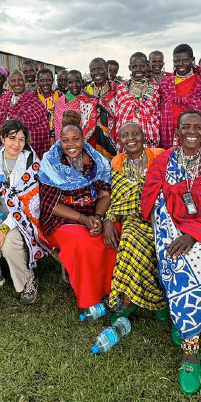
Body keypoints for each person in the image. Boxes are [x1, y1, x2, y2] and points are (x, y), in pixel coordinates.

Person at [141, 110, 201, 395]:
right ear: (177, 132)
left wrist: (193, 235)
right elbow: (152, 197)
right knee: (171, 258)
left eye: (197, 127)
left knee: (200, 263)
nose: (191, 131)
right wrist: (174, 212)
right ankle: (183, 324)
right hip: (168, 222)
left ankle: (190, 349)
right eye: (185, 127)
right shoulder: (163, 161)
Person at [39, 114, 116, 309]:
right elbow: (51, 205)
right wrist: (84, 219)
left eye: (76, 139)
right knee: (83, 243)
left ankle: (110, 290)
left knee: (114, 233)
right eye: (65, 140)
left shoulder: (97, 161)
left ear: (84, 139)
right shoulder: (51, 163)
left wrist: (98, 218)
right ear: (60, 141)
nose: (71, 144)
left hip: (92, 213)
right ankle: (90, 299)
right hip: (62, 220)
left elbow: (105, 195)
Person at [0, 119, 48, 305]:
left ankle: (27, 280)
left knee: (9, 242)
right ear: (2, 138)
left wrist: (3, 229)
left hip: (23, 218)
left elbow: (28, 201)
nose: (16, 144)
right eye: (11, 138)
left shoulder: (31, 162)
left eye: (21, 139)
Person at [102, 122, 166, 321]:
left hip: (161, 217)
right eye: (125, 135)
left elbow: (169, 189)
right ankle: (128, 300)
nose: (130, 138)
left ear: (144, 136)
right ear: (119, 141)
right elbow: (119, 197)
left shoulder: (159, 156)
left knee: (160, 247)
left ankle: (156, 299)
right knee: (129, 242)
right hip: (133, 219)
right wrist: (108, 220)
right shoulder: (117, 163)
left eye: (135, 134)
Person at [0, 69, 51, 157]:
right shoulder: (5, 98)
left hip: (26, 149)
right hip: (6, 146)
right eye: (13, 81)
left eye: (20, 80)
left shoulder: (33, 100)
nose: (17, 83)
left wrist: (11, 128)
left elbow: (40, 127)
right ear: (9, 83)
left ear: (25, 81)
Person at [158, 44, 201, 149]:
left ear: (192, 60)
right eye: (176, 61)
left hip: (194, 133)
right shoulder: (165, 83)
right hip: (170, 135)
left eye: (185, 60)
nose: (180, 64)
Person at [113, 52, 161, 149]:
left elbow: (157, 112)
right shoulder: (122, 88)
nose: (138, 70)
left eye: (141, 66)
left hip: (149, 137)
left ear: (147, 67)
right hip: (127, 139)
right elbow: (119, 115)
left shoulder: (155, 87)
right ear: (129, 68)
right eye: (134, 66)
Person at [84, 58, 118, 159]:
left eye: (100, 69)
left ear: (106, 70)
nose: (96, 73)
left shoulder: (117, 89)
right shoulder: (86, 91)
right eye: (93, 70)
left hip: (112, 134)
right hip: (93, 135)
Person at [54, 70, 98, 143]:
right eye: (70, 82)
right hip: (66, 142)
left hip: (86, 141)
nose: (74, 85)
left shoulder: (90, 101)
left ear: (82, 82)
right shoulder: (60, 103)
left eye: (77, 81)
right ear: (66, 84)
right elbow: (58, 127)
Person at [36, 67, 60, 138]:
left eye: (48, 80)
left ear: (52, 81)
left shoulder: (59, 95)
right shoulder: (33, 96)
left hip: (57, 137)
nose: (45, 83)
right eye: (42, 80)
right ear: (38, 82)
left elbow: (74, 94)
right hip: (39, 137)